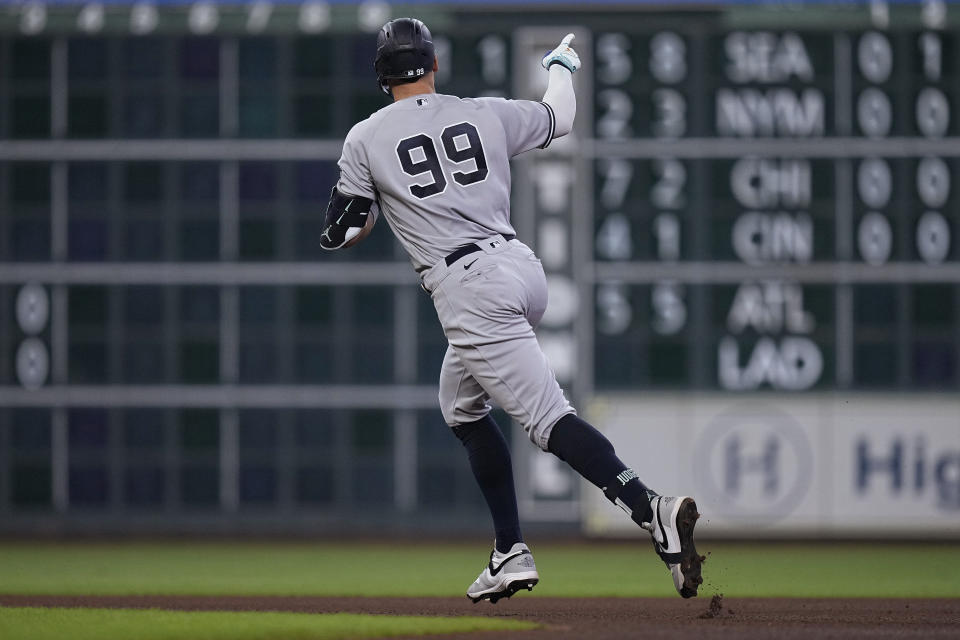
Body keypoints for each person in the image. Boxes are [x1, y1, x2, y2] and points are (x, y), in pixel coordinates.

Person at [320, 17, 703, 603]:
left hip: (468, 287)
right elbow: (559, 118)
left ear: (381, 75)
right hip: (521, 268)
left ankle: (652, 508)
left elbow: (345, 232)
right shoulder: (484, 112)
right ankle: (509, 551)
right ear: (434, 64)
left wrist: (368, 207)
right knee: (460, 405)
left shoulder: (366, 137)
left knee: (548, 419)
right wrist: (560, 68)